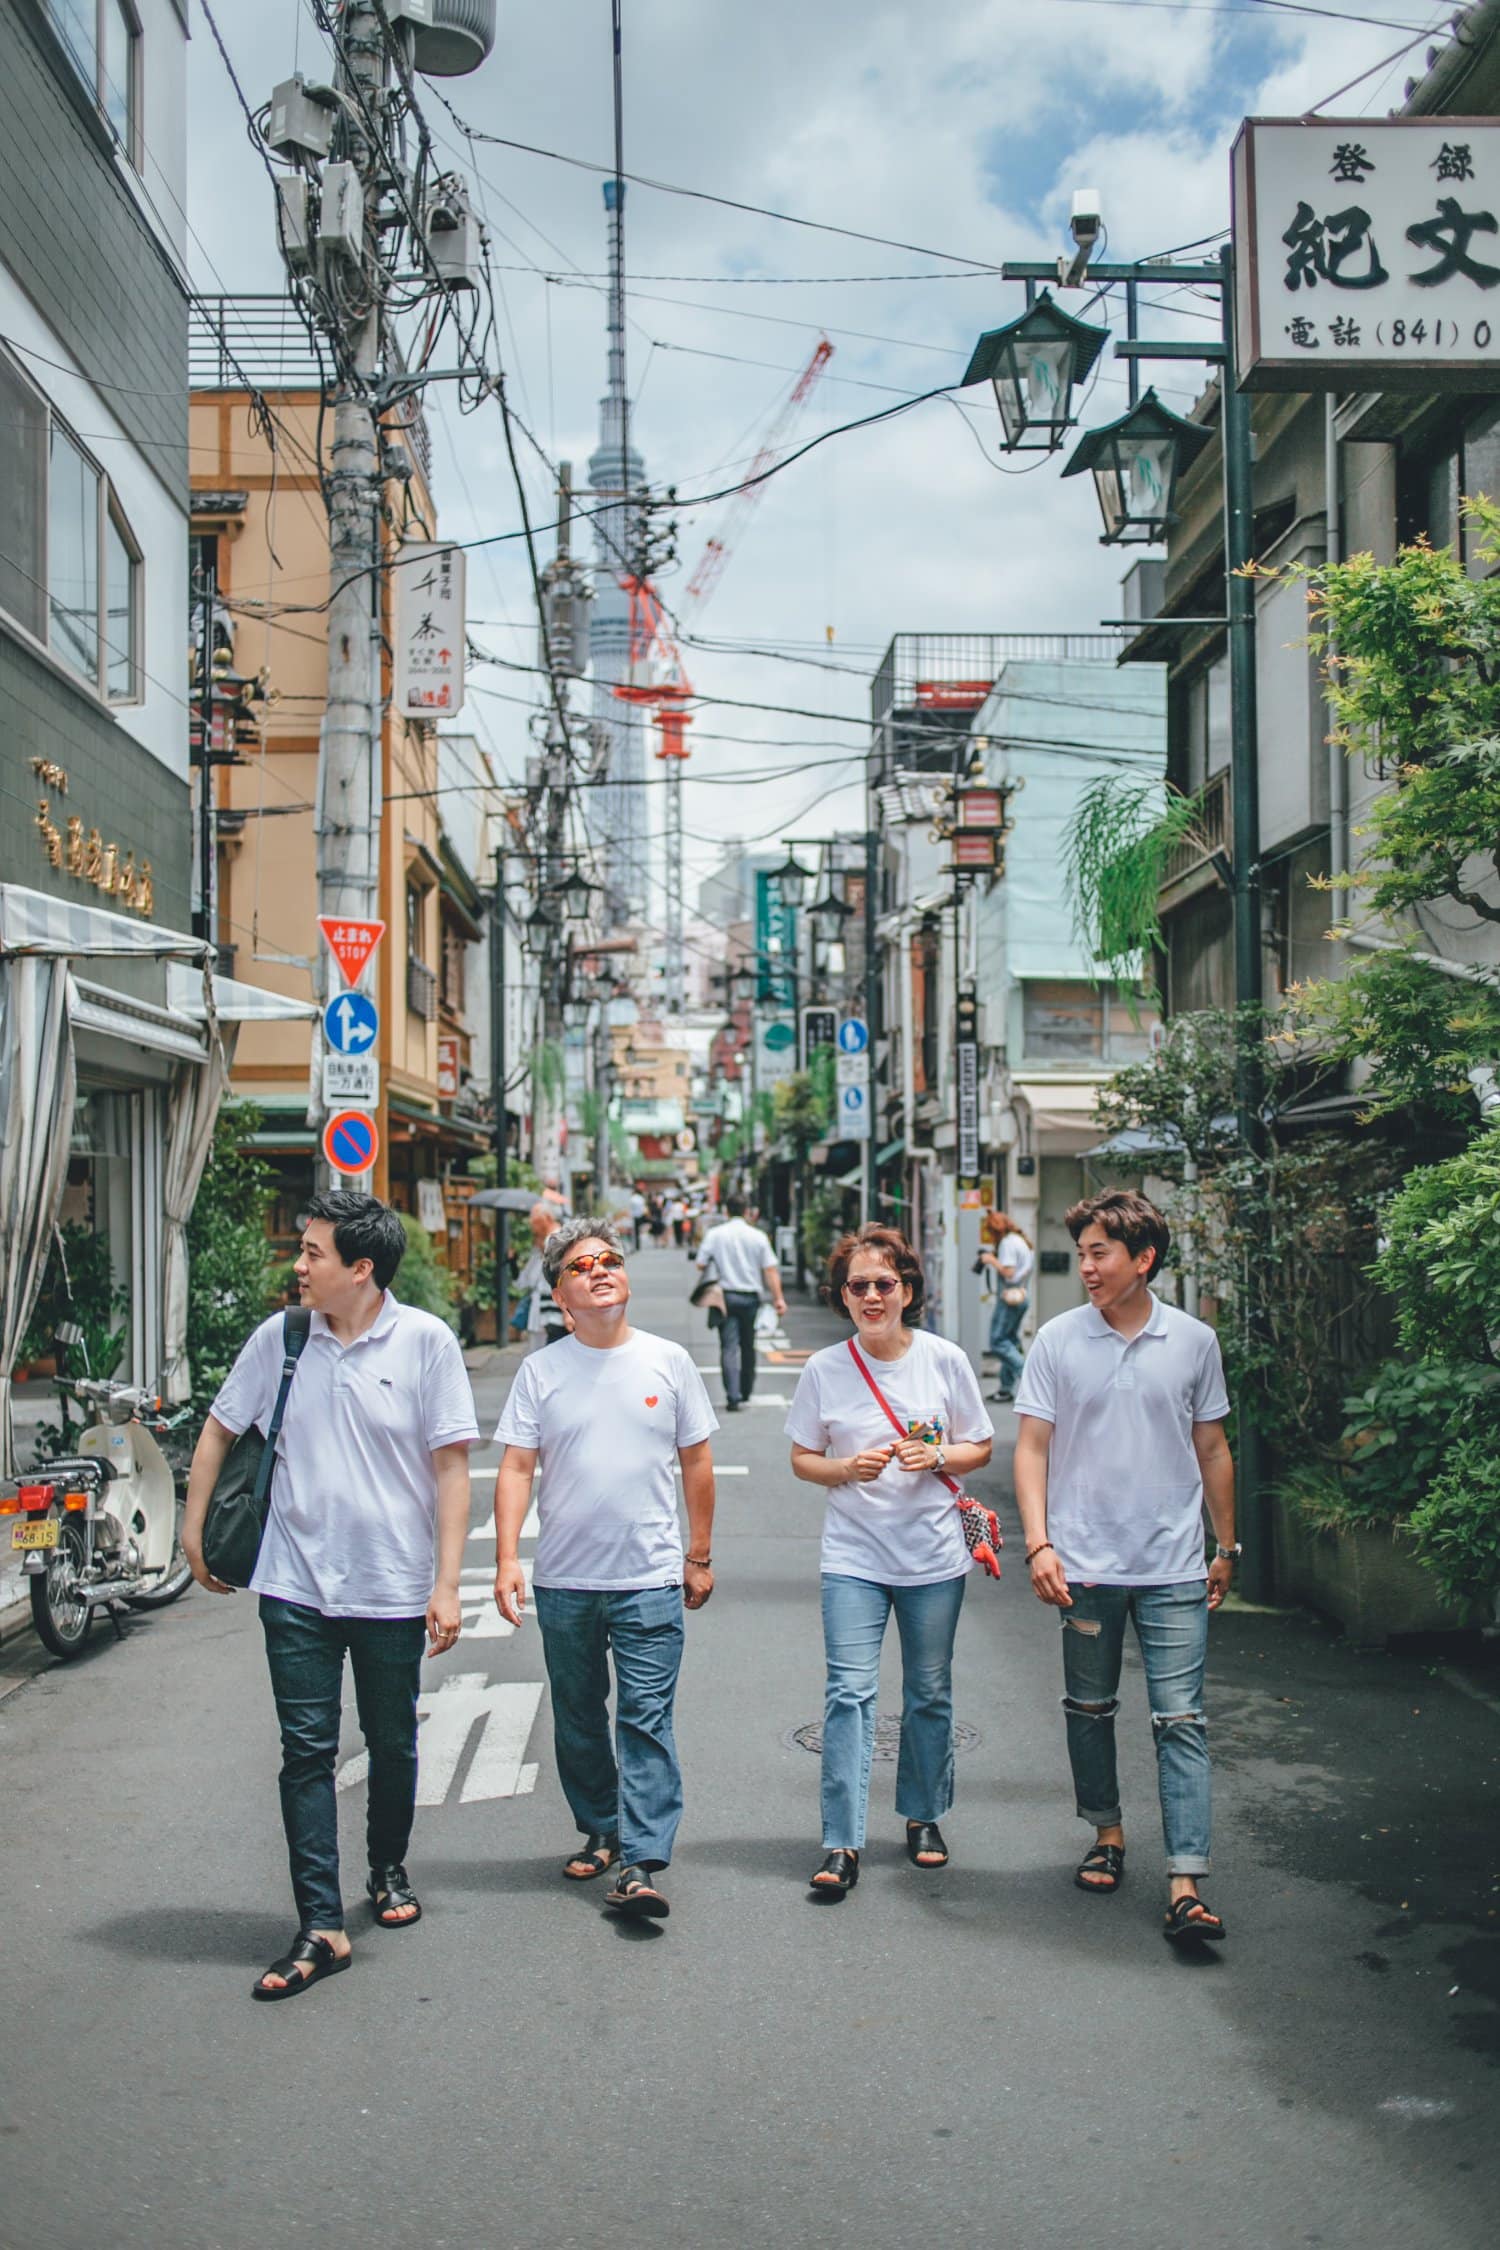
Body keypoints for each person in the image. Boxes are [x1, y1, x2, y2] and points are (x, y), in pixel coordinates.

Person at [182, 1191, 479, 2000]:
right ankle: (319, 1923)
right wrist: (192, 1527)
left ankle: (387, 1867)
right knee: (305, 1754)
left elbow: (452, 1468)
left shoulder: (425, 1342)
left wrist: (448, 1584)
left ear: (362, 1268)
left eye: (313, 1253)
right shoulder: (280, 1339)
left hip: (390, 1585)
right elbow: (219, 1428)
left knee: (391, 1742)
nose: (299, 1264)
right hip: (294, 1585)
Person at [1012, 1189, 1237, 1948]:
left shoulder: (1194, 1341)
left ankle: (1185, 1881)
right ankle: (1106, 1831)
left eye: (1099, 1253)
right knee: (1089, 1707)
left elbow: (1212, 1448)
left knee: (1182, 1719)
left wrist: (1226, 1546)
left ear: (1143, 1260)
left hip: (1173, 1563)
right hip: (1084, 1562)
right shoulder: (1057, 1339)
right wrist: (1039, 1544)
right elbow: (1033, 1447)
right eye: (1080, 1253)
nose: (1086, 1267)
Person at [492, 1216, 718, 1920]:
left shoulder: (668, 1361)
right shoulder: (542, 1370)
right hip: (565, 1583)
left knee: (646, 1719)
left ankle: (640, 1861)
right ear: (561, 1296)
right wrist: (505, 1559)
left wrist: (699, 1553)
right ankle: (601, 1825)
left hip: (649, 1579)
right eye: (582, 1265)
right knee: (580, 1719)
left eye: (610, 1260)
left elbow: (697, 1462)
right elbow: (517, 1467)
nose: (600, 1270)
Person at [786, 1224, 994, 1899]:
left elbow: (979, 1447)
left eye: (884, 1284)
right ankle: (841, 1839)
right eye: (858, 1286)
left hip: (933, 1556)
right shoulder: (825, 1370)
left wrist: (935, 1456)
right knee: (849, 1693)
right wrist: (846, 1467)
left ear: (907, 1290)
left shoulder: (943, 1360)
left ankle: (923, 1815)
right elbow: (802, 1458)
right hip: (854, 1554)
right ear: (842, 1297)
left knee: (929, 1691)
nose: (872, 1295)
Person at [696, 1194, 786, 1413]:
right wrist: (778, 1299)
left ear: (726, 1211)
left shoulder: (715, 1234)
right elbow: (770, 1269)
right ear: (747, 1211)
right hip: (750, 1297)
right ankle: (746, 1391)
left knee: (728, 1346)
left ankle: (732, 1396)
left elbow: (700, 1263)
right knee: (748, 1345)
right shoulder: (758, 1236)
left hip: (724, 1296)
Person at [981, 1209, 1034, 1403]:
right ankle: (1005, 1388)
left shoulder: (1008, 1243)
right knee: (1010, 1340)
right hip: (1021, 1296)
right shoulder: (1020, 1241)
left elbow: (1009, 1273)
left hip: (1010, 1298)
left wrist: (990, 1260)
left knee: (998, 1341)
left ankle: (1029, 1378)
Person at [516, 1202, 569, 1349]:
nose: (531, 1225)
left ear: (546, 1218)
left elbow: (561, 1275)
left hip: (554, 1310)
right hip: (549, 1308)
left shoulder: (554, 1240)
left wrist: (566, 1312)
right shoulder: (548, 1240)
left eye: (534, 1220)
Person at [628, 1187, 648, 1251]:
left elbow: (630, 1208)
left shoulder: (632, 1198)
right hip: (640, 1216)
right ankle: (638, 1245)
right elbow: (643, 1208)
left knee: (634, 1232)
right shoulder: (641, 1198)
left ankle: (635, 1246)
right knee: (638, 1231)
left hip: (634, 1217)